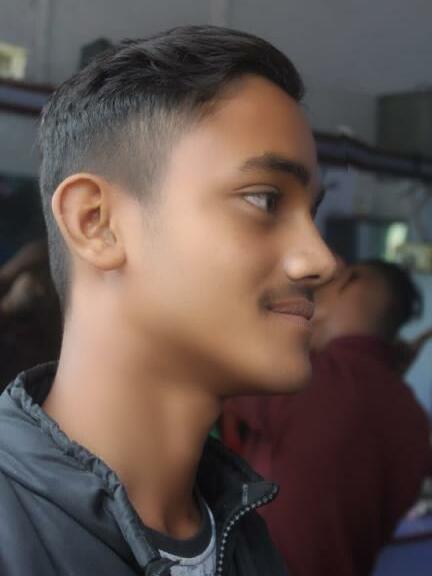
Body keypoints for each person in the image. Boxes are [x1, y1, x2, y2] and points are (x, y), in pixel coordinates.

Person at [0, 26, 336, 576]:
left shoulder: (246, 539)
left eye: (312, 214)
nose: (321, 259)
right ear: (96, 223)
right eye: (264, 199)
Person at [224, 259, 432, 576]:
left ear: (351, 282)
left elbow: (216, 379)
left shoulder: (305, 376)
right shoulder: (411, 416)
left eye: (322, 291)